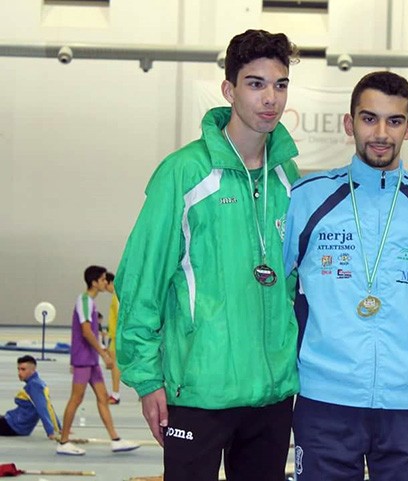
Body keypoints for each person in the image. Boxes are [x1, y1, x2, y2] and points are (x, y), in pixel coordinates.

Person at [114, 29, 301, 481]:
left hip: (272, 394)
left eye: (280, 85)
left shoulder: (287, 175)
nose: (270, 98)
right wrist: (147, 377)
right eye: (255, 84)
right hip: (198, 390)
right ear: (229, 90)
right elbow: (142, 278)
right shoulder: (185, 172)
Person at [283, 71, 408, 481]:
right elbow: (268, 285)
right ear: (349, 124)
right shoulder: (307, 197)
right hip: (325, 396)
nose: (381, 132)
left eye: (394, 121)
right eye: (369, 119)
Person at [56, 265, 140, 456]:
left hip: (91, 360)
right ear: (94, 282)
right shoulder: (84, 301)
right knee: (76, 399)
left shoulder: (91, 303)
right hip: (83, 359)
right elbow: (86, 331)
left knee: (103, 398)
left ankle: (115, 440)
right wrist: (104, 353)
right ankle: (63, 441)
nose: (105, 282)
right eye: (103, 279)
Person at [0, 355, 61, 439]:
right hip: (14, 421)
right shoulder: (38, 383)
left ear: (33, 370)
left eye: (23, 369)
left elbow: (42, 409)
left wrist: (50, 432)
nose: (19, 373)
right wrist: (60, 428)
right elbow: (49, 406)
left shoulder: (34, 386)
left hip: (14, 426)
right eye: (18, 369)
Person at [104, 272, 122, 404]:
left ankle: (115, 394)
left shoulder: (118, 296)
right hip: (114, 335)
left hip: (118, 337)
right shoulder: (116, 296)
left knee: (115, 366)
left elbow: (121, 317)